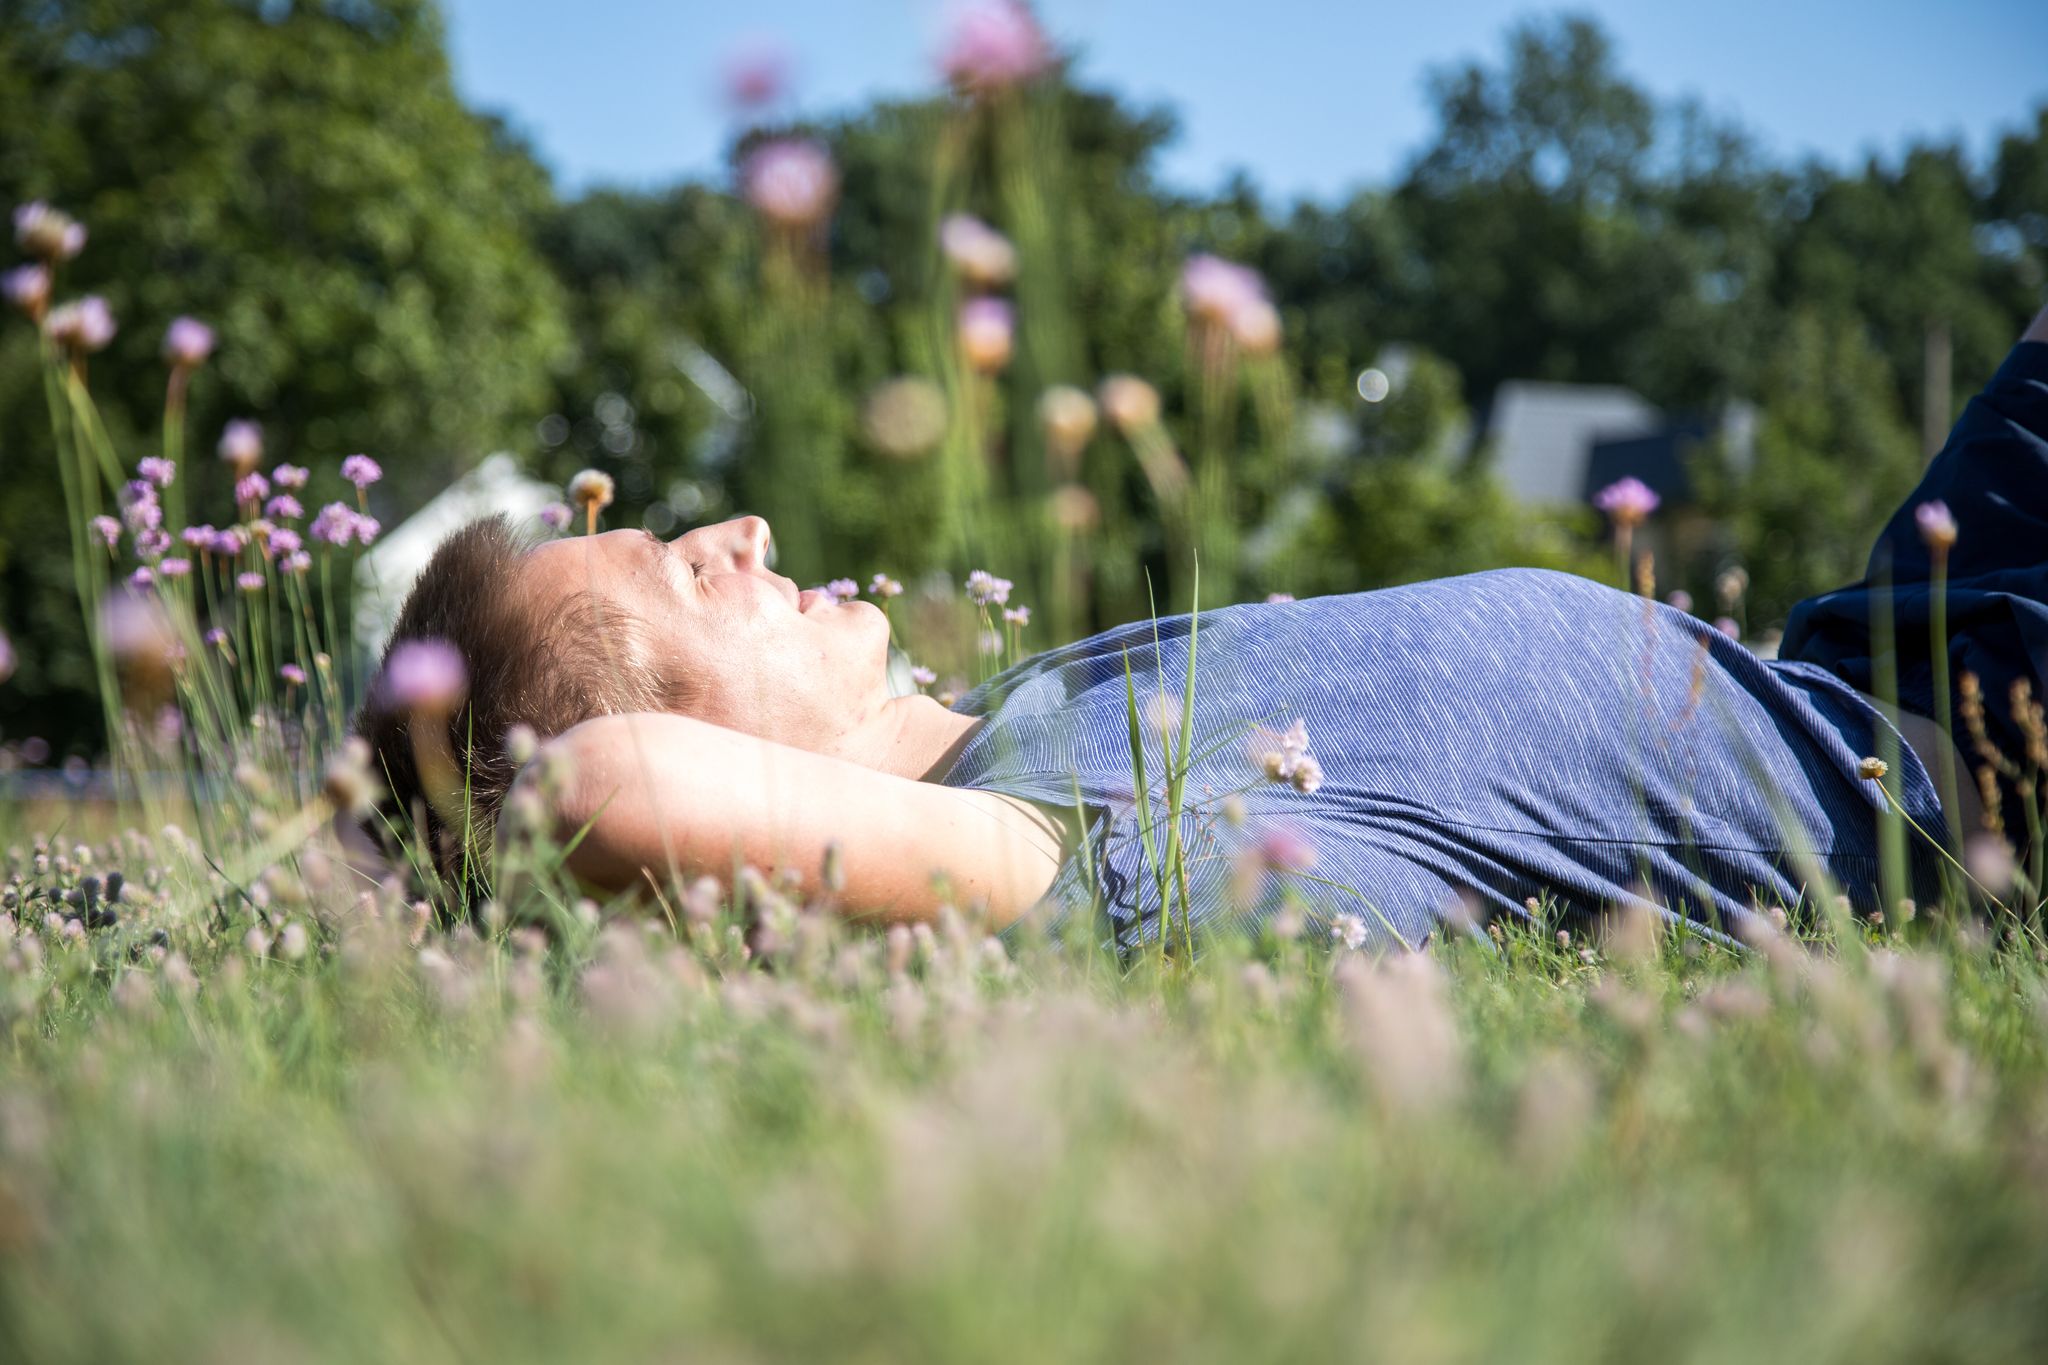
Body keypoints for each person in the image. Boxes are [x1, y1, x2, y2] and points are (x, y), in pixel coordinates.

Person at [356, 304, 2048, 951]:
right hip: (1962, 790)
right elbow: (595, 795)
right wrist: (435, 814)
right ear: (704, 751)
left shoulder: (1034, 715)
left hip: (1863, 660)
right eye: (680, 576)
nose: (744, 532)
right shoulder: (1059, 846)